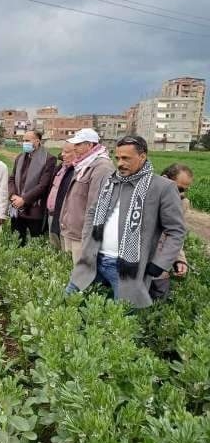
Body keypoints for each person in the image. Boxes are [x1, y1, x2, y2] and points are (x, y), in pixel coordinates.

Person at [65, 136, 186, 309]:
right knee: (68, 307)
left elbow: (176, 231)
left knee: (120, 323)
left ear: (142, 157)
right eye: (118, 158)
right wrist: (86, 242)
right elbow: (92, 212)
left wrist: (160, 264)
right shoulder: (110, 181)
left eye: (126, 158)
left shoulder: (162, 187)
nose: (120, 163)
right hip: (93, 260)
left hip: (127, 270)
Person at [59, 128, 114, 262]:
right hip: (72, 230)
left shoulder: (102, 167)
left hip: (82, 236)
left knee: (81, 276)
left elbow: (97, 206)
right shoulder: (84, 164)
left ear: (90, 145)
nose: (75, 148)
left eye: (78, 144)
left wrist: (89, 238)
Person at [149, 163, 194, 300]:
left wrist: (179, 259)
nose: (182, 194)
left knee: (157, 306)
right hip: (135, 264)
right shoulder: (144, 195)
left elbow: (176, 234)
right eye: (179, 189)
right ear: (164, 179)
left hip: (160, 265)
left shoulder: (182, 203)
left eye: (185, 190)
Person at [8, 130, 56, 245]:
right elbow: (12, 179)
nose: (24, 143)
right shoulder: (20, 157)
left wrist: (24, 200)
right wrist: (13, 195)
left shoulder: (48, 159)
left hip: (35, 210)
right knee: (17, 242)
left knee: (36, 243)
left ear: (37, 141)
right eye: (23, 140)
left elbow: (43, 185)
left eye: (27, 141)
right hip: (17, 208)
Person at [47, 143, 76, 249]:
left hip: (64, 220)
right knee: (54, 250)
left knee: (65, 253)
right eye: (63, 151)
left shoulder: (77, 171)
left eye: (67, 152)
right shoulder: (61, 167)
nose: (62, 155)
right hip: (52, 215)